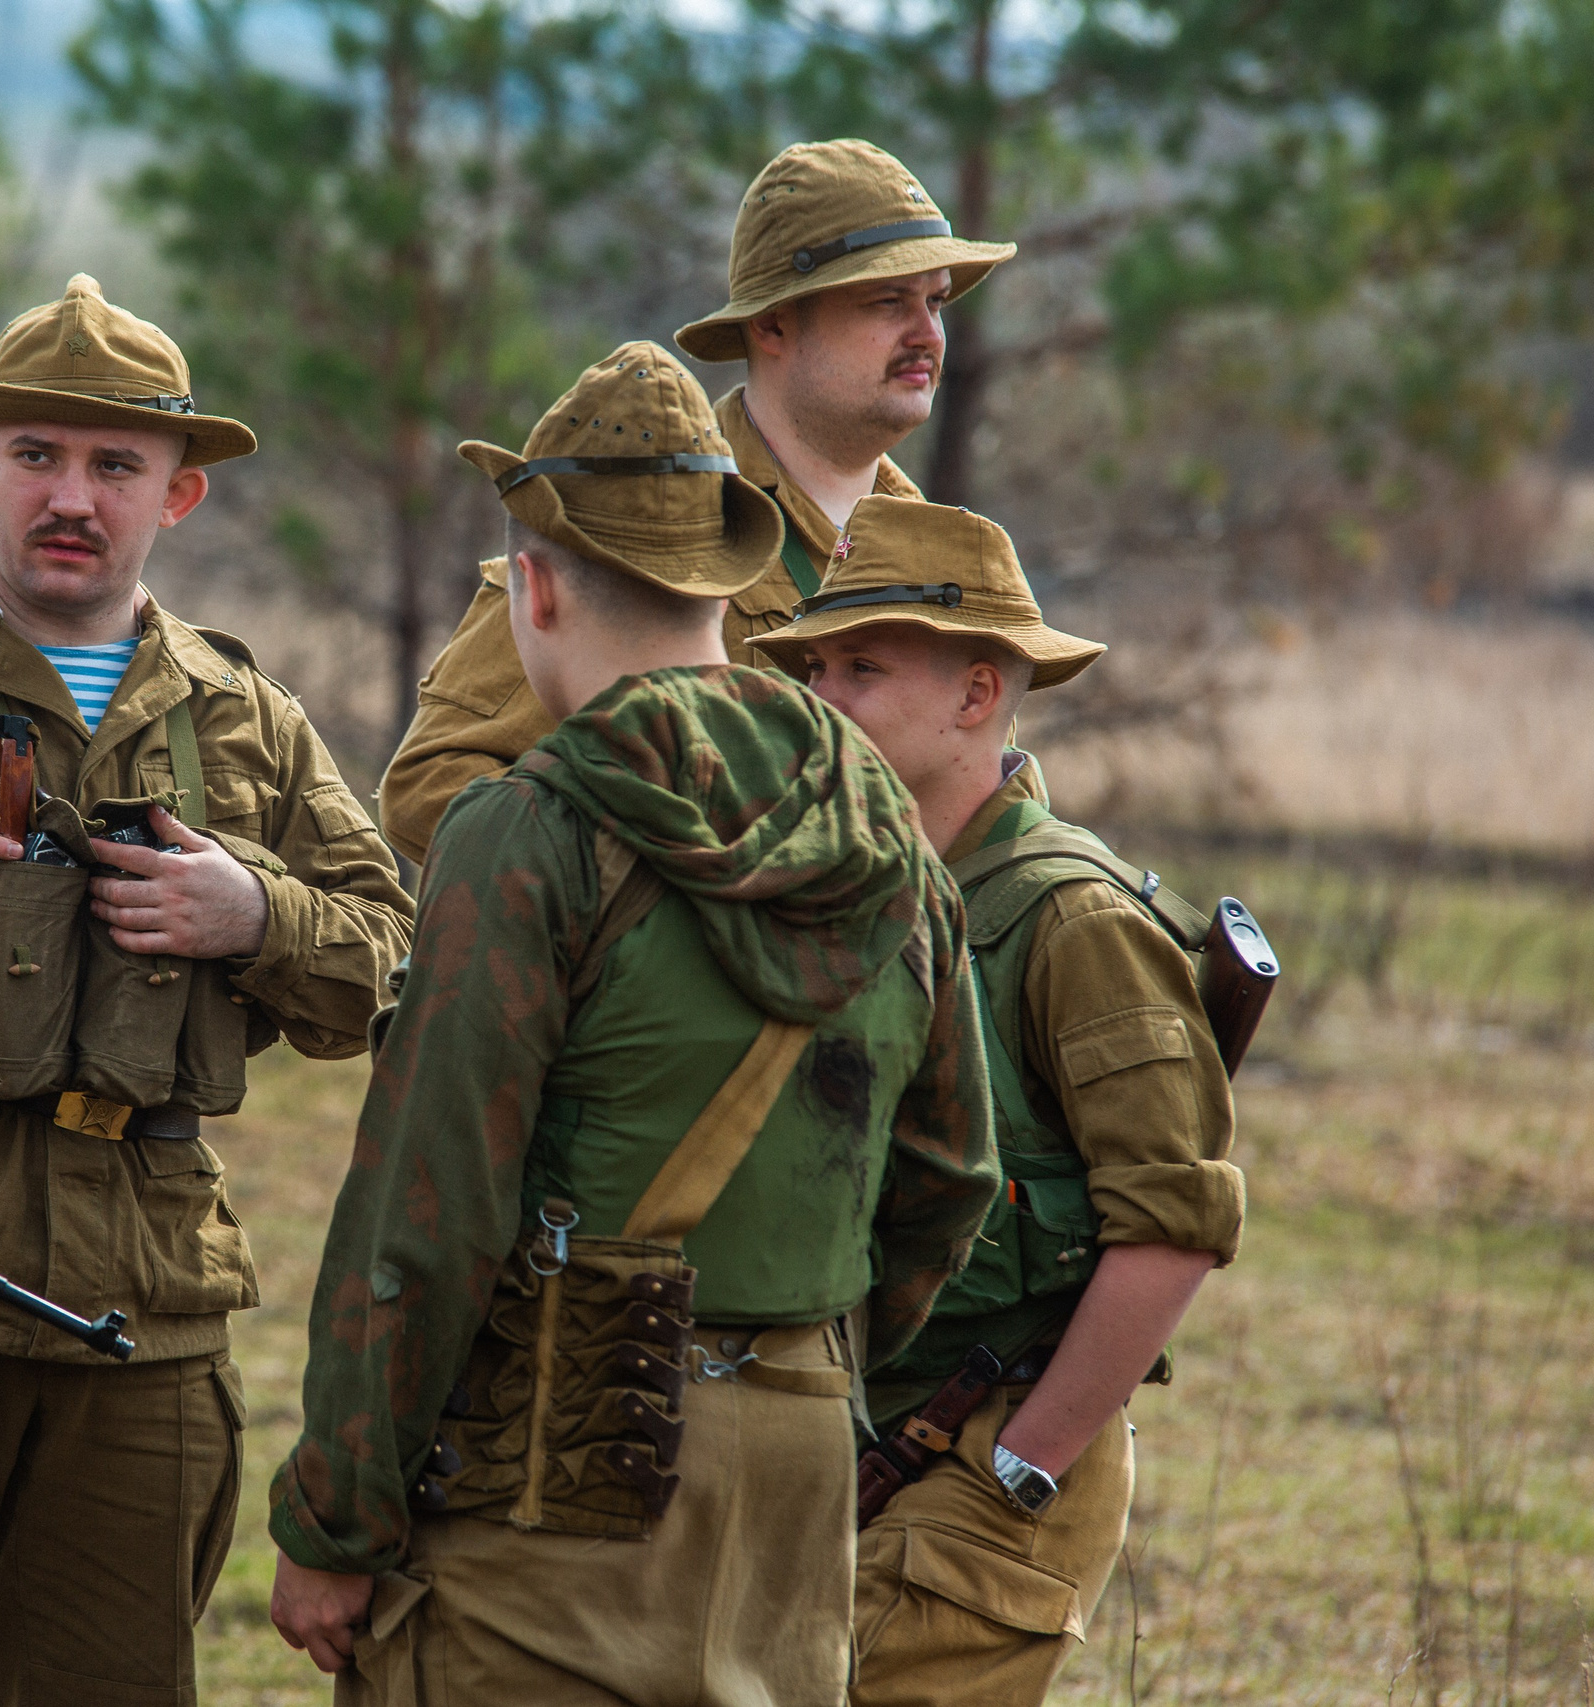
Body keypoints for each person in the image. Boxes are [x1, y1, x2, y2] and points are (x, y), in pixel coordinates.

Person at [263, 343, 999, 1706]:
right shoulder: (885, 826)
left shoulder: (526, 827)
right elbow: (955, 1178)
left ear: (531, 587)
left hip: (563, 1462)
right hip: (798, 1467)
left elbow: (427, 1212)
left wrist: (337, 1516)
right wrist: (797, 1357)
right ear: (726, 586)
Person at [0, 272, 415, 1707]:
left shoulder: (245, 715)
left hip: (144, 1312)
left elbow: (392, 960)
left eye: (117, 463)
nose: (74, 495)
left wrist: (256, 914)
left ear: (178, 494)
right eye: (38, 457)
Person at [754, 495, 1245, 1705]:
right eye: (813, 667)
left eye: (859, 668)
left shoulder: (1073, 920)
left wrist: (1021, 1469)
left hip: (983, 1470)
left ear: (977, 697)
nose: (822, 699)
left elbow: (1173, 1225)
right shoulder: (845, 895)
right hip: (852, 1456)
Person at [375, 136, 1015, 861]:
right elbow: (433, 785)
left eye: (935, 302)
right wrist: (681, 896)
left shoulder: (940, 546)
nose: (927, 333)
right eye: (887, 301)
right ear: (772, 322)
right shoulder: (646, 510)